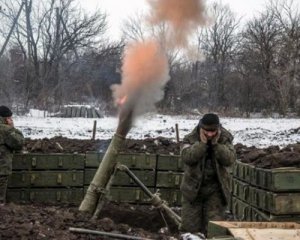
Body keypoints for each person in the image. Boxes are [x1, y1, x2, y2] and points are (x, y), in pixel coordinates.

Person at [180, 113, 236, 236]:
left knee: (215, 230)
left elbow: (230, 160)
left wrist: (216, 145)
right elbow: (187, 157)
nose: (210, 134)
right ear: (201, 128)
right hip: (193, 190)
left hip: (216, 190)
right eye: (207, 131)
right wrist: (202, 145)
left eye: (213, 131)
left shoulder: (225, 138)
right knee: (190, 230)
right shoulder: (190, 138)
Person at [0, 106, 24, 204]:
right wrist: (13, 128)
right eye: (10, 118)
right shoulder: (5, 130)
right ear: (5, 118)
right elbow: (19, 142)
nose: (11, 120)